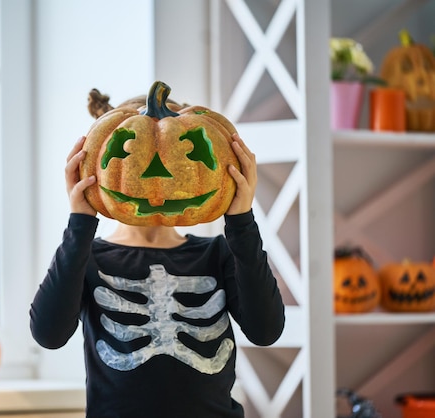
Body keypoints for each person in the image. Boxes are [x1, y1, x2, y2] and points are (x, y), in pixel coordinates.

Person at [29, 89, 285, 418]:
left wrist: (241, 221)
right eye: (137, 157)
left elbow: (266, 331)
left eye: (181, 157)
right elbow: (48, 334)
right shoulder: (87, 258)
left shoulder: (218, 254)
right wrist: (80, 223)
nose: (161, 175)